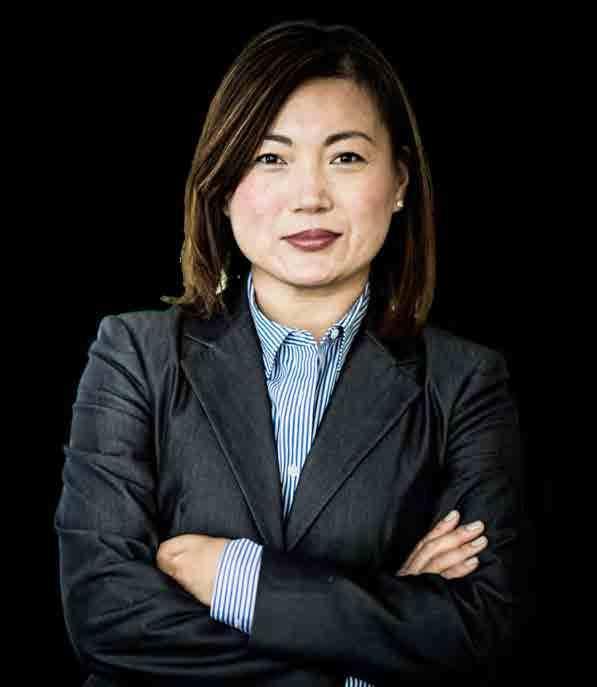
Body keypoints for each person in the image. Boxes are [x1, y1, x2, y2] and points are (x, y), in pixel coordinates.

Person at [55, 18, 531, 687]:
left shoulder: (463, 383)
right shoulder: (136, 356)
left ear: (399, 181)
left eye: (346, 157)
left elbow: (478, 629)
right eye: (270, 158)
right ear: (223, 185)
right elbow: (106, 615)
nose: (310, 196)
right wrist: (377, 642)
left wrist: (239, 578)